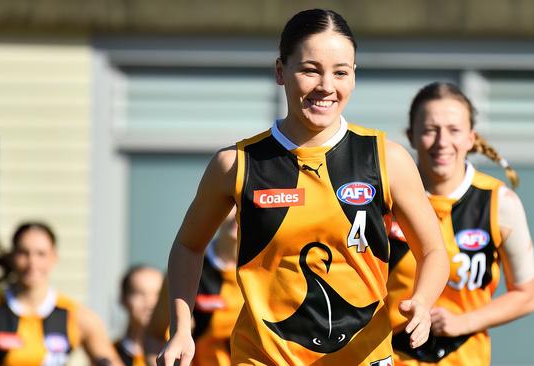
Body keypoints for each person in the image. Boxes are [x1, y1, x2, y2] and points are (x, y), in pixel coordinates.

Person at [157, 8, 450, 366]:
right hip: (263, 356)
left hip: (364, 356)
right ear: (281, 72)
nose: (326, 86)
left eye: (340, 72)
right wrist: (181, 329)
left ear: (353, 76)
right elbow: (188, 246)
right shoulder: (235, 164)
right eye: (310, 70)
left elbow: (434, 250)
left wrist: (422, 300)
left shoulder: (387, 158)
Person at [386, 82, 534, 365]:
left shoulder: (498, 202)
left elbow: (527, 295)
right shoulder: (386, 200)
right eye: (430, 130)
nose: (442, 142)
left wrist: (463, 322)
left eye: (454, 130)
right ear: (411, 136)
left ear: (471, 138)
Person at [0, 222, 123, 366]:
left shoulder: (77, 317)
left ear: (54, 257)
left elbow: (108, 361)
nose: (32, 262)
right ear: (12, 257)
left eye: (41, 254)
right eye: (24, 253)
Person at [145, 207, 242, 366]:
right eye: (233, 204)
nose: (239, 212)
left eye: (245, 203)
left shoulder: (271, 269)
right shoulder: (187, 269)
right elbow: (154, 337)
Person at [114, 265, 163, 366]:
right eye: (139, 293)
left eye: (158, 294)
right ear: (123, 298)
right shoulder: (108, 354)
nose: (150, 303)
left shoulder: (179, 352)